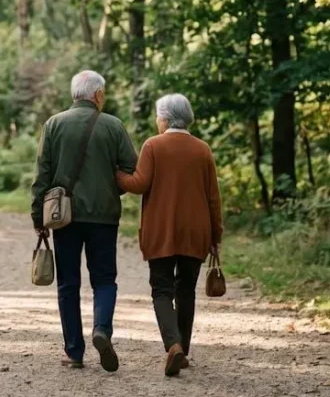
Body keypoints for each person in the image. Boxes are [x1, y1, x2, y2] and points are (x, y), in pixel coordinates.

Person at [31, 70, 138, 372]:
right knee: (104, 279)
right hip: (104, 217)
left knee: (68, 283)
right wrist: (109, 188)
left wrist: (38, 215)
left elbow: (42, 174)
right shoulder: (113, 125)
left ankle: (74, 351)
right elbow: (131, 168)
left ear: (74, 94)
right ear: (98, 95)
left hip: (64, 216)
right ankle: (101, 329)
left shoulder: (54, 124)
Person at [115, 93, 223, 377]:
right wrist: (216, 235)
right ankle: (182, 349)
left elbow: (139, 184)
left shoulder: (153, 145)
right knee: (186, 290)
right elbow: (213, 197)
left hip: (161, 230)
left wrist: (116, 174)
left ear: (164, 118)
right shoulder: (203, 149)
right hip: (196, 232)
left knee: (161, 289)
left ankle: (173, 346)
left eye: (157, 116)